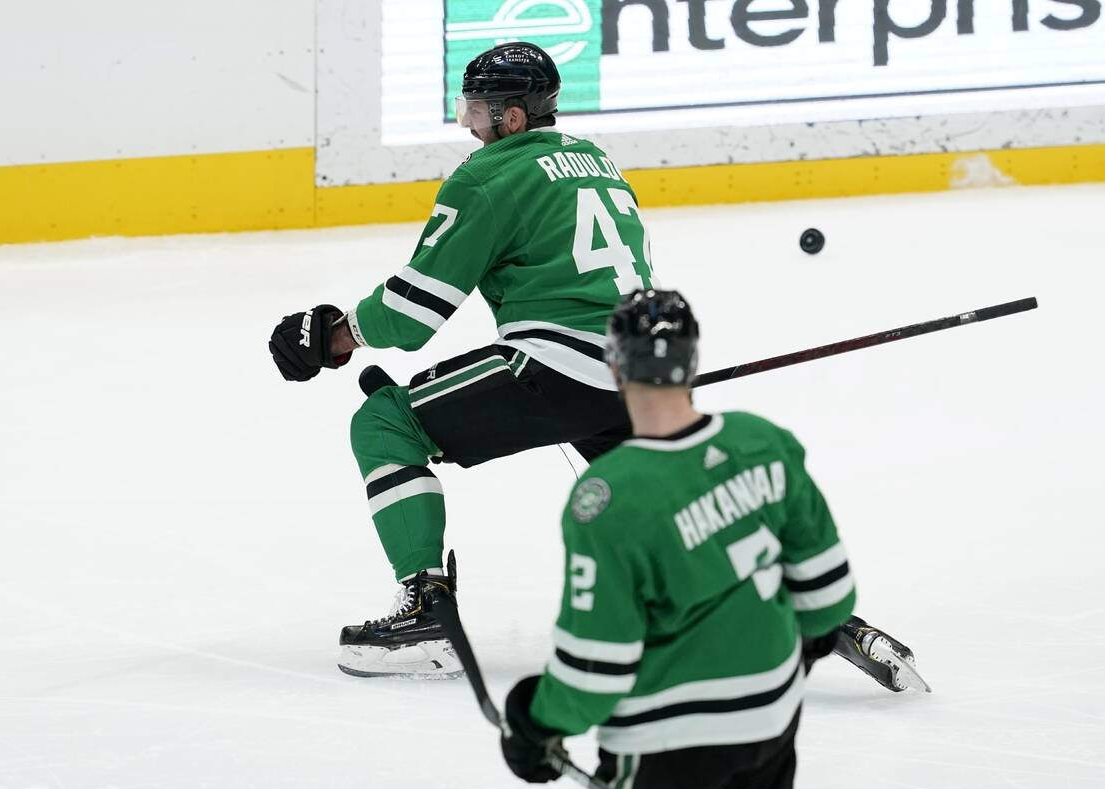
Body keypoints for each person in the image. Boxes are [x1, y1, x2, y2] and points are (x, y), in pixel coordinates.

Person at [267, 41, 927, 692]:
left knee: (386, 424)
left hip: (552, 368)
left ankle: (425, 615)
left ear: (514, 117)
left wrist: (337, 335)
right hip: (632, 371)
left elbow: (416, 310)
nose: (468, 122)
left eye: (477, 109)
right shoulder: (595, 161)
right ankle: (839, 623)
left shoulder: (487, 177)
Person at [500, 289, 853, 789]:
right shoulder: (763, 442)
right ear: (692, 360)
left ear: (614, 366)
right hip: (772, 719)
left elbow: (596, 671)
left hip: (667, 743)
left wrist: (536, 722)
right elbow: (829, 599)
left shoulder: (607, 497)